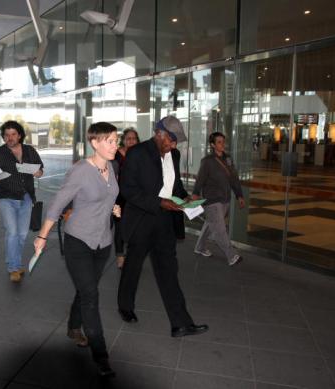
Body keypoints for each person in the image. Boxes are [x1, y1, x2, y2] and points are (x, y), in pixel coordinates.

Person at [35, 122, 121, 378]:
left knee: (87, 289)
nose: (115, 145)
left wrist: (113, 208)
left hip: (103, 241)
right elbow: (58, 203)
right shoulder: (81, 171)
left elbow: (109, 195)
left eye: (116, 140)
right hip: (79, 242)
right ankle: (101, 354)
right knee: (91, 295)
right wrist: (42, 235)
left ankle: (74, 326)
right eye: (110, 141)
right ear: (95, 143)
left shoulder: (111, 166)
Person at [117, 116, 208, 338]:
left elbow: (174, 185)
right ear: (159, 133)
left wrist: (185, 198)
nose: (175, 145)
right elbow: (128, 189)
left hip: (165, 222)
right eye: (172, 139)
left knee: (169, 270)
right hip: (141, 221)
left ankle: (180, 323)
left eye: (176, 141)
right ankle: (125, 306)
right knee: (133, 267)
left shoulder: (174, 155)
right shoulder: (137, 153)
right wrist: (159, 202)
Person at [0, 120, 43, 282]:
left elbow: (40, 170)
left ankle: (16, 263)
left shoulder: (29, 151)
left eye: (13, 134)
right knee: (12, 232)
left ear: (19, 135)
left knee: (22, 234)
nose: (10, 138)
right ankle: (13, 267)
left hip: (26, 196)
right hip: (6, 196)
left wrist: (37, 172)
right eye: (6, 135)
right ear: (3, 137)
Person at [192, 131, 245, 266]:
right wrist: (195, 193)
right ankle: (231, 256)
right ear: (212, 145)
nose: (222, 144)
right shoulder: (207, 162)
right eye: (219, 142)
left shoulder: (228, 160)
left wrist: (239, 195)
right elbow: (200, 179)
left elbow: (234, 179)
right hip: (212, 200)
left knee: (211, 224)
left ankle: (200, 247)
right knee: (220, 230)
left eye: (223, 141)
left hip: (225, 199)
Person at [112, 128, 139, 268]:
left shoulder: (140, 154)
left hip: (135, 196)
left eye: (134, 138)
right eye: (128, 138)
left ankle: (132, 253)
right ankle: (119, 255)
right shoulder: (116, 154)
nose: (131, 141)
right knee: (120, 227)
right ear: (123, 140)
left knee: (134, 226)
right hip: (119, 196)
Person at [170, 137, 188, 240]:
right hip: (165, 198)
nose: (174, 143)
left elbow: (176, 177)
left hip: (175, 196)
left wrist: (184, 194)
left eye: (175, 141)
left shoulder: (175, 153)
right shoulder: (170, 153)